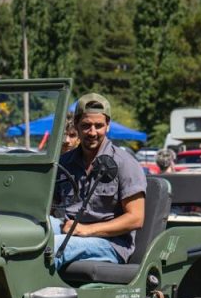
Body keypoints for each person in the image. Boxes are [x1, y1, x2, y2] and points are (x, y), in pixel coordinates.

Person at [52, 93, 146, 270]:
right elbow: (51, 204)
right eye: (86, 125)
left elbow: (136, 218)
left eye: (99, 126)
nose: (92, 132)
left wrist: (86, 230)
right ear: (76, 125)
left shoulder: (124, 163)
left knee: (53, 247)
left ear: (108, 125)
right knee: (31, 234)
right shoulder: (64, 163)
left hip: (111, 243)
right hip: (70, 229)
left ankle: (33, 288)